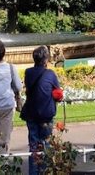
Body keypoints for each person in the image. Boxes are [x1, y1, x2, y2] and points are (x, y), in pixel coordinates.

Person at [20, 45, 62, 175]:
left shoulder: (28, 72)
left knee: (33, 145)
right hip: (46, 114)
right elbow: (58, 92)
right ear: (46, 59)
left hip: (31, 113)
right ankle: (45, 171)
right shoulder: (50, 74)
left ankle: (34, 172)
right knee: (46, 144)